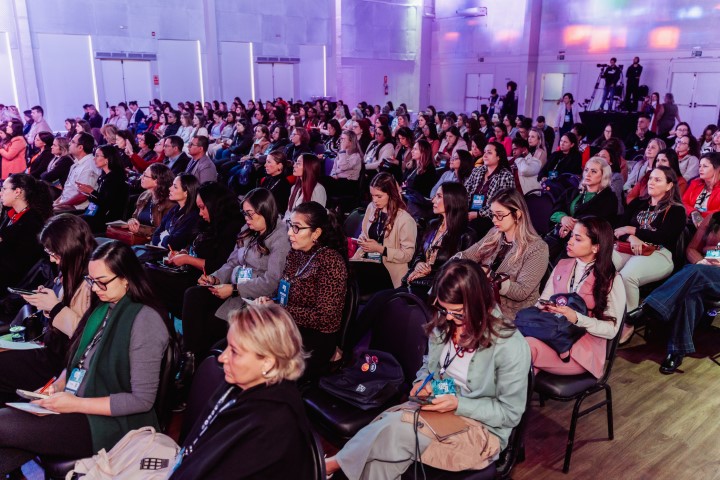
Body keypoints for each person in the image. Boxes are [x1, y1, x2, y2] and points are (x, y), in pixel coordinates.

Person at [325, 259, 531, 479]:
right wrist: (423, 384)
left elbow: (510, 414)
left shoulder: (509, 345)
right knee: (382, 457)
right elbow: (430, 368)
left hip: (481, 430)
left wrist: (459, 404)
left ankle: (332, 465)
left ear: (479, 303)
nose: (449, 317)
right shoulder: (446, 323)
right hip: (439, 412)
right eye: (444, 309)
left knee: (395, 431)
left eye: (458, 312)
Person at [0, 241, 170, 474]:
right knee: (8, 433)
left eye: (102, 281)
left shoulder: (145, 320)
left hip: (115, 425)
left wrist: (75, 404)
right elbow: (79, 359)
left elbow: (141, 400)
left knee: (4, 425)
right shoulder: (103, 308)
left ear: (126, 278)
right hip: (81, 405)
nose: (95, 288)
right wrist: (59, 384)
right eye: (91, 280)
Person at [170, 304, 314, 479]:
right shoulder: (239, 385)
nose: (222, 357)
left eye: (234, 352)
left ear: (267, 362)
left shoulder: (272, 426)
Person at [182, 188, 291, 361]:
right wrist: (214, 277)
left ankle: (200, 360)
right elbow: (232, 262)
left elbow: (272, 281)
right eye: (245, 214)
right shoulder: (248, 229)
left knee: (210, 324)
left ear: (265, 210)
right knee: (193, 295)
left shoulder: (280, 237)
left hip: (254, 297)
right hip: (234, 288)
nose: (246, 219)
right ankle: (189, 357)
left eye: (250, 214)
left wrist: (234, 289)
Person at [0, 214, 95, 403]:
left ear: (69, 248)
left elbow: (87, 336)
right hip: (52, 349)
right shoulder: (71, 269)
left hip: (64, 362)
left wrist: (54, 306)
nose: (52, 260)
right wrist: (47, 302)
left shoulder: (91, 282)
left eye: (54, 254)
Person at [257, 202, 347, 380]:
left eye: (297, 228)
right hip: (290, 327)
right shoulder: (296, 253)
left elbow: (324, 317)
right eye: (290, 225)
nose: (290, 233)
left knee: (261, 360)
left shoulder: (331, 262)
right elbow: (285, 290)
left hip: (316, 338)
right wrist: (271, 301)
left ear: (316, 233)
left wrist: (280, 309)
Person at [527, 217, 626, 376]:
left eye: (578, 239)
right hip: (554, 337)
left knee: (526, 349)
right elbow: (542, 303)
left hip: (583, 351)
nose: (570, 241)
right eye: (572, 235)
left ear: (596, 247)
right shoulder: (562, 265)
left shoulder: (611, 279)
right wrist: (545, 308)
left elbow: (611, 330)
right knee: (518, 348)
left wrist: (577, 318)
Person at [640, 211, 720, 373]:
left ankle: (649, 307)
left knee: (693, 274)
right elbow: (691, 248)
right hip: (703, 270)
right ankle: (676, 351)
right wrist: (701, 262)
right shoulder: (714, 217)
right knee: (689, 293)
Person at [149, 181, 243, 317]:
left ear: (214, 205)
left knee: (151, 277)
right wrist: (184, 253)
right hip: (191, 273)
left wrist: (187, 259)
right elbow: (194, 246)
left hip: (207, 278)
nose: (200, 213)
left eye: (203, 208)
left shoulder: (232, 228)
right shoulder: (207, 222)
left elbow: (218, 265)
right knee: (148, 271)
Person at [614, 166, 686, 343]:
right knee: (604, 266)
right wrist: (631, 237)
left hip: (659, 253)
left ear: (669, 185)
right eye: (651, 178)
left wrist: (633, 230)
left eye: (657, 179)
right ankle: (605, 313)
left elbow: (664, 236)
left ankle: (629, 320)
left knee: (627, 276)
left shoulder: (676, 210)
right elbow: (618, 229)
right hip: (629, 248)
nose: (651, 182)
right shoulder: (638, 204)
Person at [455, 188, 548, 319]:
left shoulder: (537, 248)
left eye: (500, 215)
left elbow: (522, 292)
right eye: (493, 214)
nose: (494, 220)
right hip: (484, 305)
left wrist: (490, 277)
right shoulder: (494, 233)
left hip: (513, 315)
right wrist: (454, 264)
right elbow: (466, 255)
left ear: (517, 214)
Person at [402, 182, 472, 299]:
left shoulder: (466, 235)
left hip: (439, 289)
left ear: (452, 200)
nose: (433, 200)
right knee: (382, 299)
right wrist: (419, 264)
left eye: (439, 196)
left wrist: (429, 271)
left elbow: (459, 271)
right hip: (417, 281)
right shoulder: (432, 224)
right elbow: (419, 253)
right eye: (435, 196)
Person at [546, 157, 619, 262]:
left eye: (593, 171)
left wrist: (573, 226)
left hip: (586, 243)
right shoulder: (572, 192)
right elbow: (554, 212)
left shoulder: (608, 198)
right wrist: (563, 218)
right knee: (539, 255)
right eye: (586, 170)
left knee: (559, 262)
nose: (588, 174)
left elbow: (598, 223)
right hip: (560, 236)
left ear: (603, 176)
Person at [351, 172, 417, 290]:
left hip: (389, 271)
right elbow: (364, 232)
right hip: (368, 261)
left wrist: (380, 249)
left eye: (379, 196)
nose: (374, 200)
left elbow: (407, 255)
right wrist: (362, 239)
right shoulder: (371, 207)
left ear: (391, 194)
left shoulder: (405, 220)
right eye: (372, 196)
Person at [0, 174, 53, 293]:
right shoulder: (12, 214)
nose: (1, 193)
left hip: (14, 282)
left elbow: (19, 265)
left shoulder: (32, 223)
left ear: (17, 192)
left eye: (4, 189)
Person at [465, 141, 515, 238]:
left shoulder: (505, 176)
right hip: (469, 211)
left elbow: (503, 203)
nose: (485, 155)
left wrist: (478, 214)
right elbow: (465, 191)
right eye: (484, 152)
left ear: (498, 157)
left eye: (489, 152)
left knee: (471, 229)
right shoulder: (477, 171)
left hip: (490, 217)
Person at [77, 145, 129, 233]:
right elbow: (97, 202)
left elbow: (106, 203)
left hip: (107, 219)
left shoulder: (115, 178)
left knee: (72, 224)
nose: (94, 159)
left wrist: (91, 191)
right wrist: (87, 213)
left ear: (107, 159)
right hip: (97, 214)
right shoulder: (104, 177)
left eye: (97, 156)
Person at [127, 163, 176, 239]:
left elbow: (163, 231)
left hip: (154, 242)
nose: (141, 177)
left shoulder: (169, 202)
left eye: (145, 176)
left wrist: (140, 229)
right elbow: (134, 217)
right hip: (138, 238)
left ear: (156, 181)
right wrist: (131, 221)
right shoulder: (144, 195)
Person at [151, 174, 201, 250]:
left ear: (186, 193)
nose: (170, 188)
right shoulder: (174, 209)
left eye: (175, 187)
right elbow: (156, 235)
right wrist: (165, 239)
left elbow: (174, 243)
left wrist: (164, 237)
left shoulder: (193, 216)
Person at [54, 132, 101, 212]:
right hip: (66, 204)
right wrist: (56, 203)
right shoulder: (77, 162)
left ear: (80, 147)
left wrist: (59, 205)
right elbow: (67, 190)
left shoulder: (89, 166)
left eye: (72, 142)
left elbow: (83, 196)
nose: (69, 144)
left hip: (77, 208)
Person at [285, 153, 326, 219]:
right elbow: (289, 212)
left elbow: (318, 216)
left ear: (308, 167)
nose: (294, 165)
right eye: (295, 162)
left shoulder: (318, 189)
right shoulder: (294, 187)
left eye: (298, 163)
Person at [682, 152, 720, 221]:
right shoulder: (695, 183)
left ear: (717, 168)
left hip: (713, 223)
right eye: (700, 166)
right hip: (690, 220)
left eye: (705, 166)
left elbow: (718, 212)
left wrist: (699, 215)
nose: (700, 169)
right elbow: (684, 202)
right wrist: (693, 212)